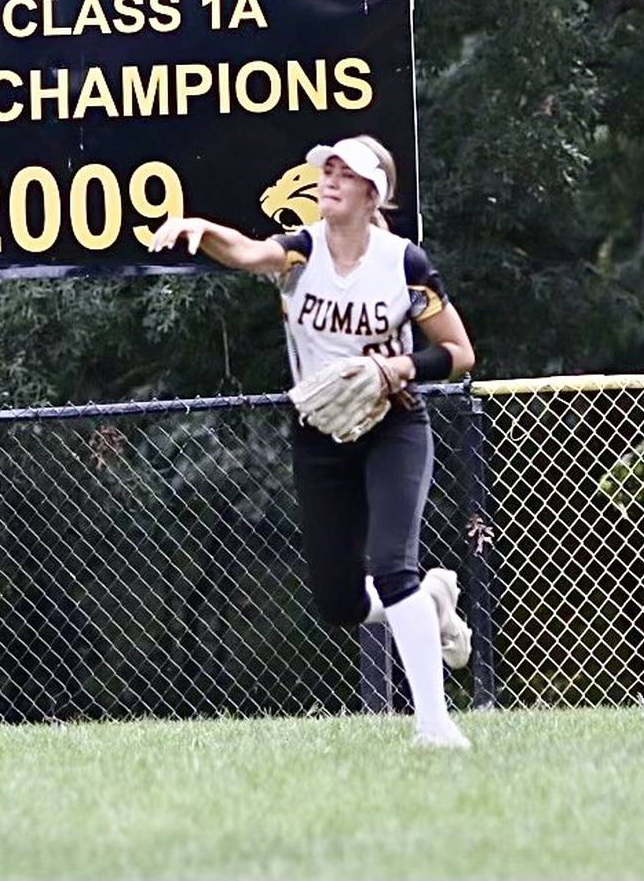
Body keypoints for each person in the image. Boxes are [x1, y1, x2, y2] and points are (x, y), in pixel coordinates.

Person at [148, 134, 477, 748]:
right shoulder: (300, 251)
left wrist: (400, 368)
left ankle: (434, 725)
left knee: (391, 564)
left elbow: (459, 353)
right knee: (338, 601)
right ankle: (432, 604)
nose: (328, 178)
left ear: (371, 190)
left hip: (394, 425)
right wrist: (199, 226)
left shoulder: (404, 263)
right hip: (321, 434)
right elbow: (247, 254)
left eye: (343, 172)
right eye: (326, 168)